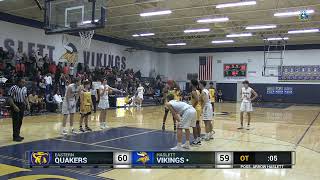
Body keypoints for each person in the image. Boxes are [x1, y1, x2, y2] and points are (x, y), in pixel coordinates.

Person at [8, 77, 30, 142]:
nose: (24, 83)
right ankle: (15, 136)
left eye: (24, 82)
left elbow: (25, 97)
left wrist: (28, 104)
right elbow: (9, 98)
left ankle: (18, 134)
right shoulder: (13, 88)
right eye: (23, 82)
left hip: (22, 105)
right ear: (19, 82)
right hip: (15, 104)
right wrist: (14, 106)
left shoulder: (24, 88)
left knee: (20, 121)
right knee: (15, 121)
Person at [190, 79, 202, 145]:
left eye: (190, 83)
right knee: (197, 124)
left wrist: (192, 107)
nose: (189, 84)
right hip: (198, 108)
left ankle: (195, 140)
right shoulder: (197, 91)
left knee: (194, 125)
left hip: (196, 109)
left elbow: (197, 100)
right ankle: (199, 138)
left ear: (192, 84)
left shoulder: (193, 92)